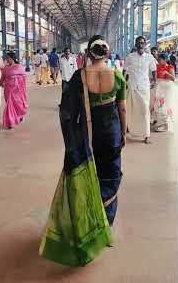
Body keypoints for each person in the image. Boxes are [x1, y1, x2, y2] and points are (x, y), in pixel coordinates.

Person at [40, 36, 126, 266]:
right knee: (110, 175)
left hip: (87, 135)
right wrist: (123, 134)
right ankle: (106, 227)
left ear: (88, 54)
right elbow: (122, 109)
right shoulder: (117, 76)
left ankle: (88, 226)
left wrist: (71, 139)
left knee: (88, 176)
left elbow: (67, 109)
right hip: (111, 134)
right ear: (107, 54)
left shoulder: (80, 76)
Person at [123, 36, 157, 144]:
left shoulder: (150, 57)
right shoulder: (130, 57)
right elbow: (124, 70)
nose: (141, 44)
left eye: (142, 42)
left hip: (144, 87)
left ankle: (147, 135)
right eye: (139, 42)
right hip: (132, 86)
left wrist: (155, 81)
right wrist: (123, 82)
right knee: (130, 108)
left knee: (144, 110)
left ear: (144, 44)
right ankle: (128, 128)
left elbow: (153, 70)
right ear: (136, 44)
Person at [0, 52, 28, 130]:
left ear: (12, 58)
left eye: (8, 58)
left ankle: (19, 115)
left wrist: (16, 79)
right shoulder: (5, 68)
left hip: (17, 90)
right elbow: (2, 78)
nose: (7, 59)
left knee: (17, 104)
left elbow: (24, 77)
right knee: (9, 105)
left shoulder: (19, 67)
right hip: (8, 89)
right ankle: (10, 122)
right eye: (6, 58)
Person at [150, 52, 176, 132]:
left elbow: (173, 78)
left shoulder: (170, 67)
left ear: (165, 60)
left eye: (160, 59)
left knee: (164, 106)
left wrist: (166, 73)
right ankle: (158, 121)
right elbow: (154, 77)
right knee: (157, 105)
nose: (158, 60)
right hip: (158, 88)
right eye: (158, 59)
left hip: (166, 89)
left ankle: (164, 125)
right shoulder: (157, 67)